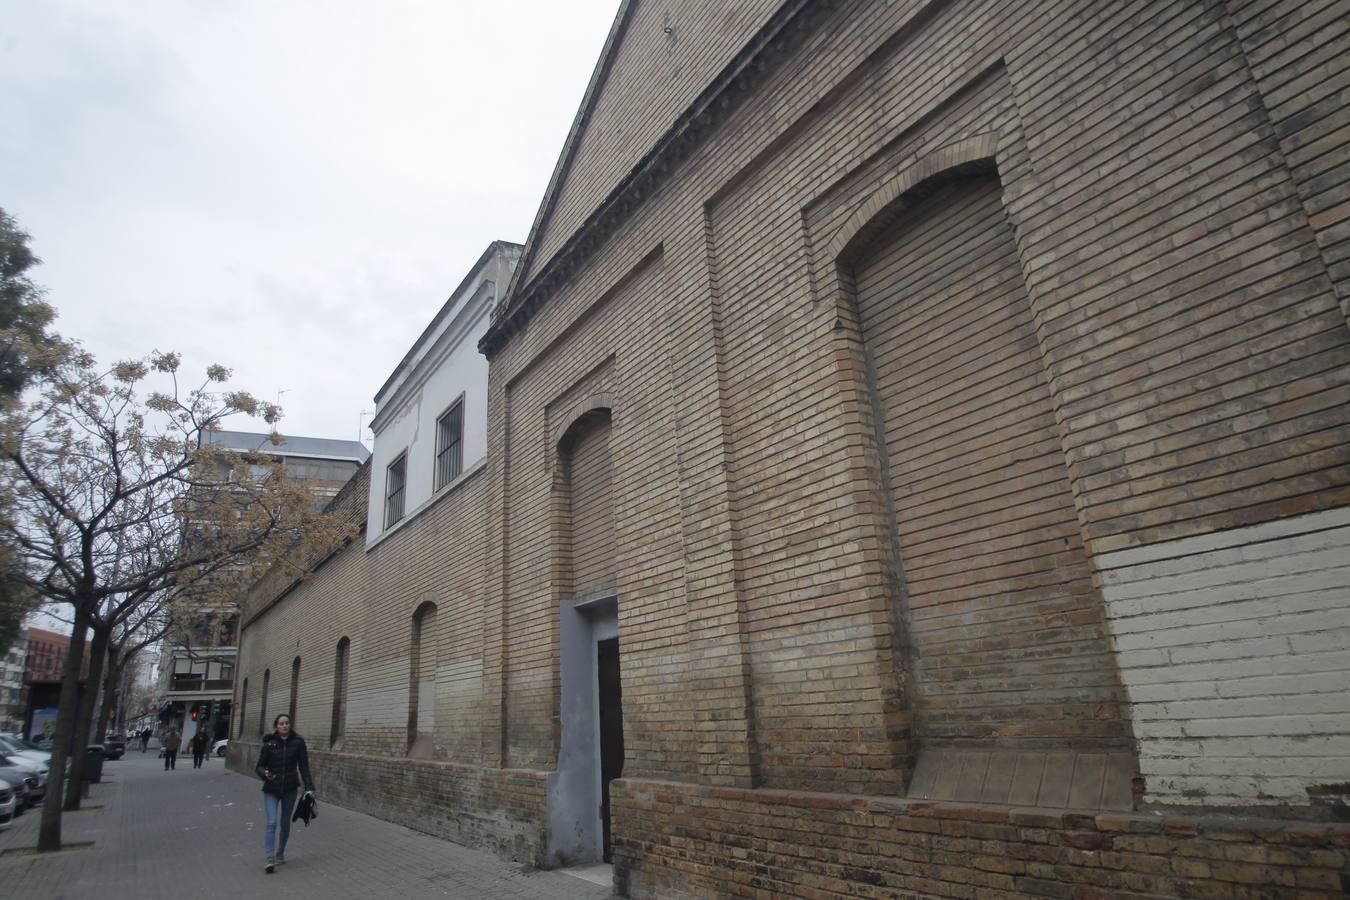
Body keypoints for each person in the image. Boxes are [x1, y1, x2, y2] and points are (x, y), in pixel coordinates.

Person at [255, 713, 314, 873]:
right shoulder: (269, 743)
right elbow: (259, 766)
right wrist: (264, 773)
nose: (284, 726)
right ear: (276, 726)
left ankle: (280, 852)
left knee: (285, 822)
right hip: (271, 789)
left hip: (289, 788)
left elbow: (304, 766)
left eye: (287, 723)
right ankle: (269, 858)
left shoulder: (298, 742)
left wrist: (309, 787)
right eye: (281, 723)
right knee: (272, 822)